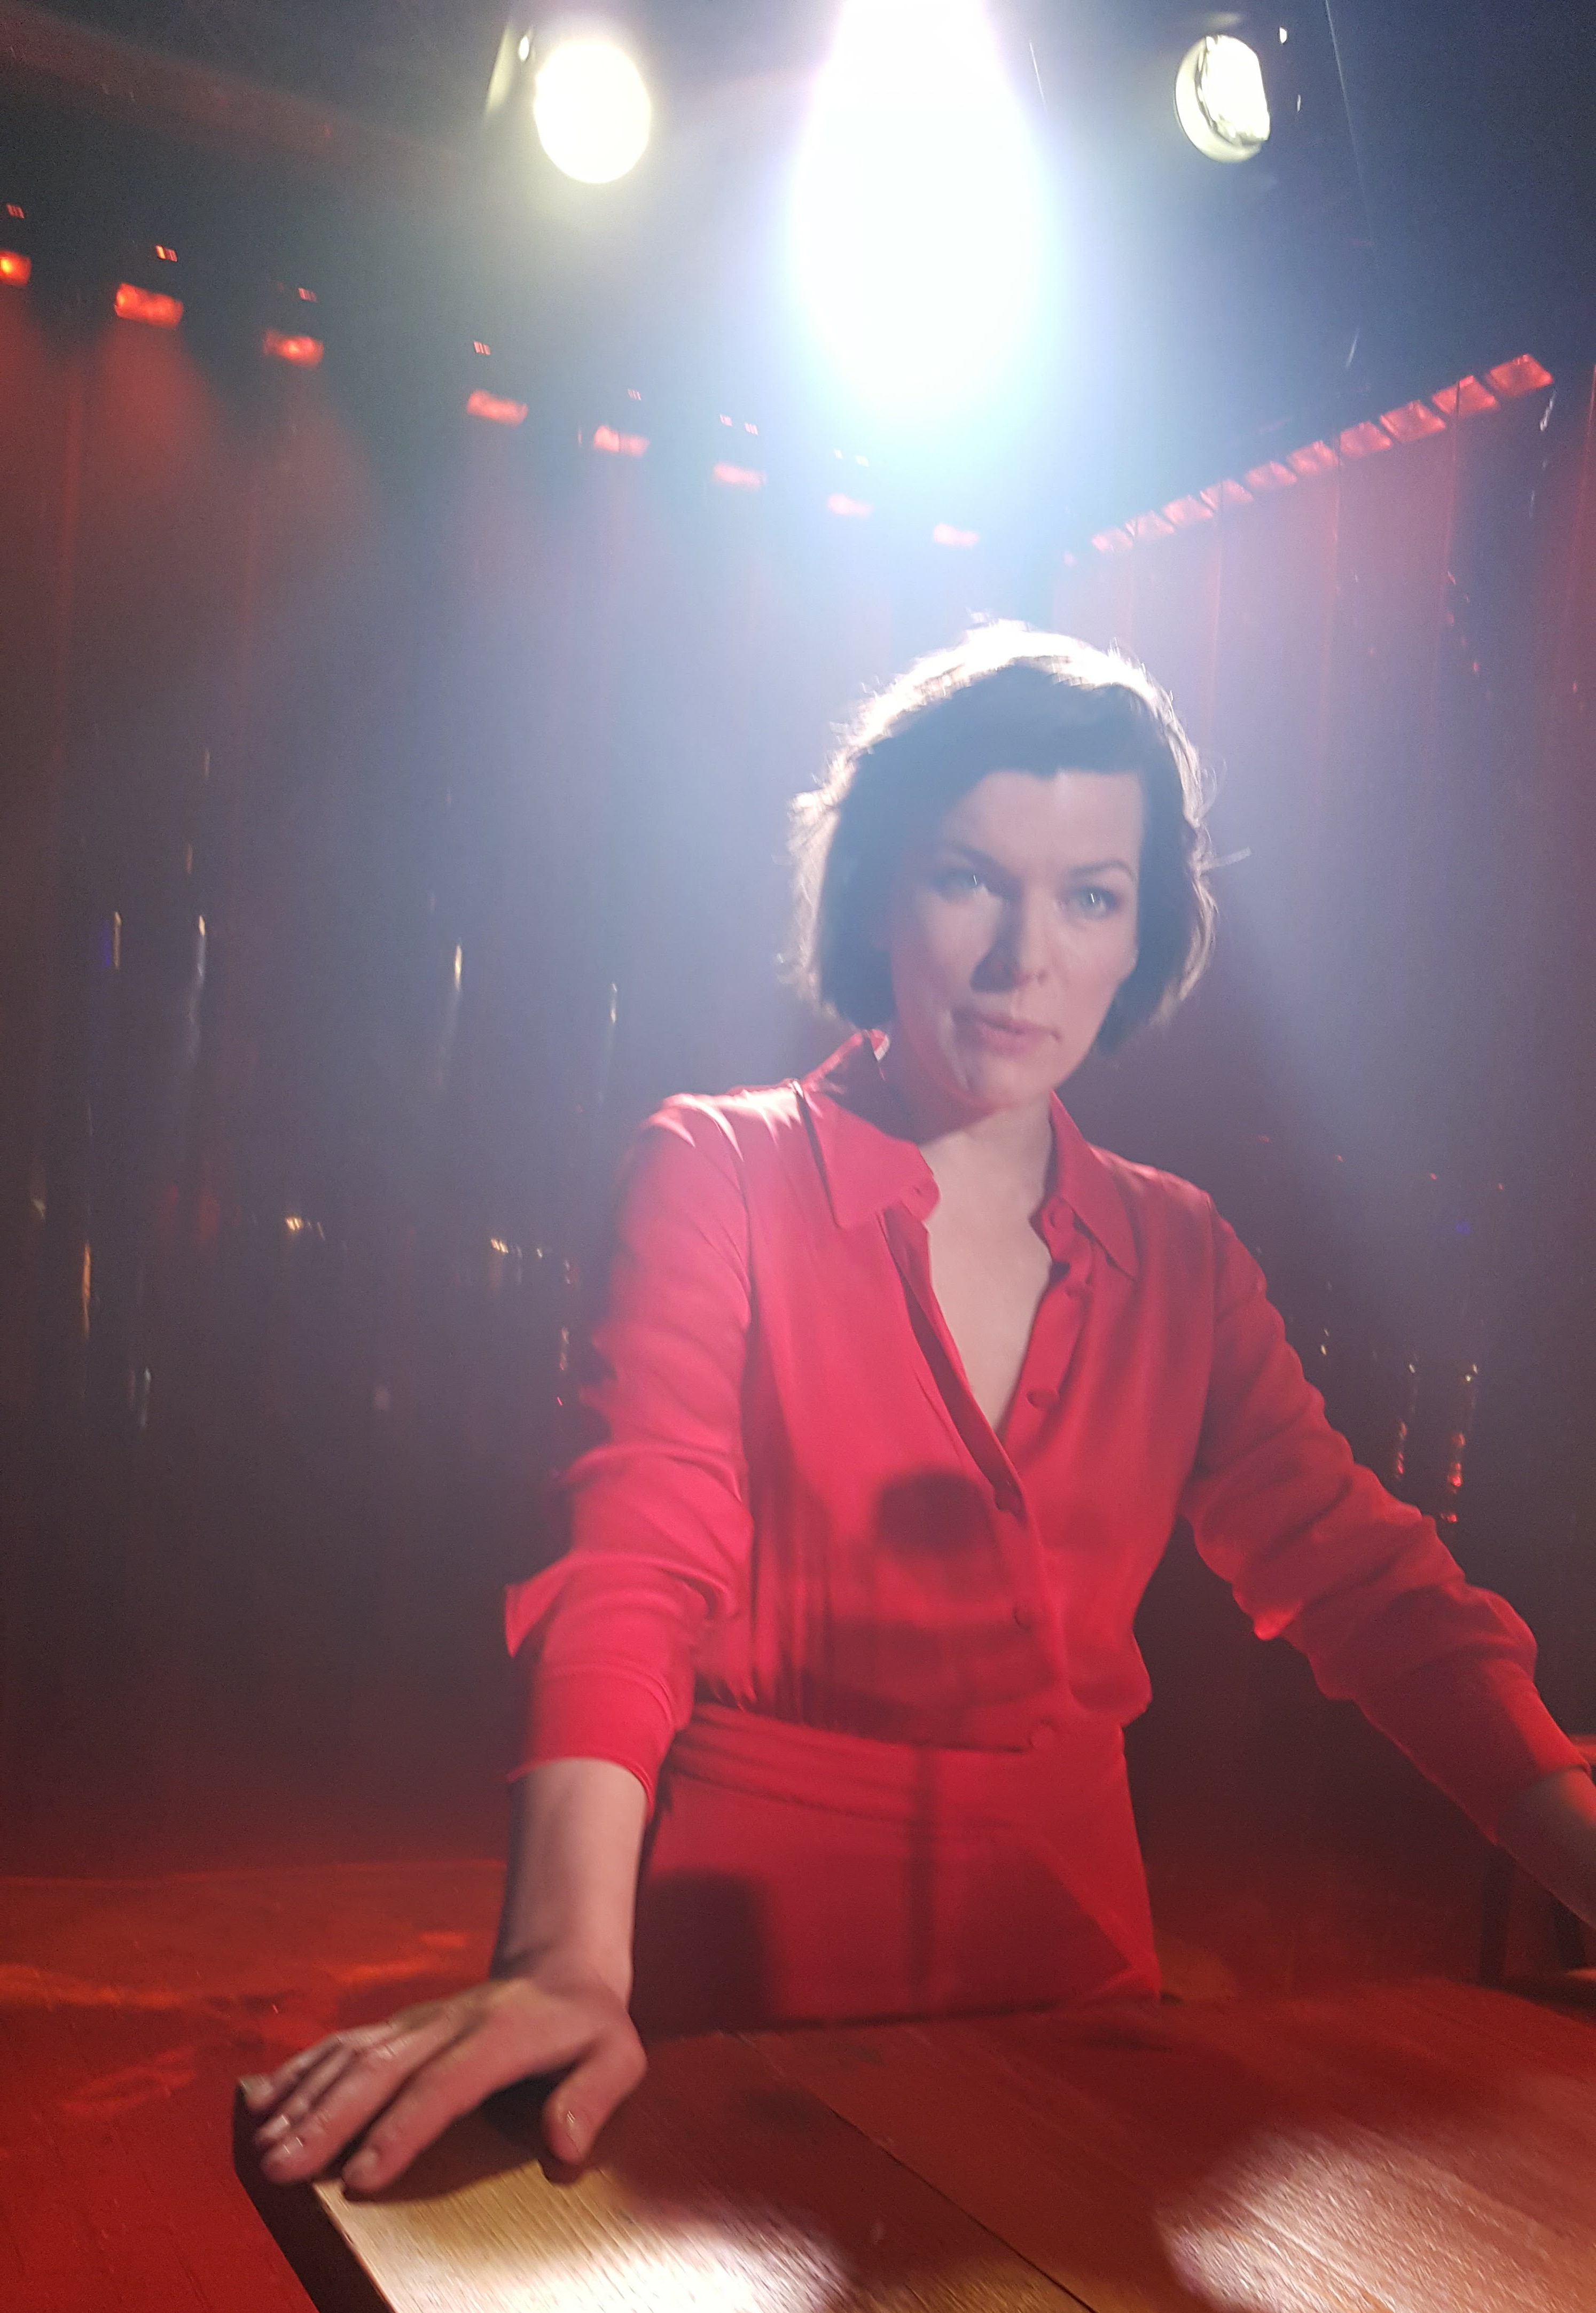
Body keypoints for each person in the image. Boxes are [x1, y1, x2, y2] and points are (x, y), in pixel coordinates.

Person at [243, 623, 1596, 2194]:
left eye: (1091, 896)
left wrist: (1577, 1849)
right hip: (729, 2003)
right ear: (877, 890)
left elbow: (1367, 1586)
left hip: (1080, 2005)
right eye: (970, 879)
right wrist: (562, 1957)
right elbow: (633, 1564)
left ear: (1142, 932)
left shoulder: (1179, 1252)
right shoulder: (717, 1172)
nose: (1028, 960)